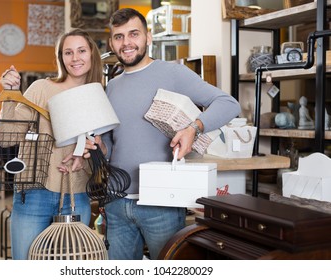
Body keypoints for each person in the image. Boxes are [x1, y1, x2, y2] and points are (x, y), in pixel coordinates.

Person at [69, 8, 241, 260]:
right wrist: (97, 147)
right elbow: (109, 144)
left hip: (161, 203)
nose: (126, 43)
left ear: (148, 37)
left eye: (134, 34)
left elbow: (229, 104)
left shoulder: (172, 73)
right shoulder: (112, 86)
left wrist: (194, 128)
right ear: (111, 43)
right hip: (116, 201)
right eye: (119, 37)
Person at [0, 28, 103, 259]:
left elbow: (104, 150)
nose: (75, 58)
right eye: (68, 52)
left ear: (92, 54)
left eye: (81, 50)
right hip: (33, 192)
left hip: (76, 197)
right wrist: (9, 93)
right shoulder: (41, 88)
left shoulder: (100, 95)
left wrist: (87, 152)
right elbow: (6, 139)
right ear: (61, 58)